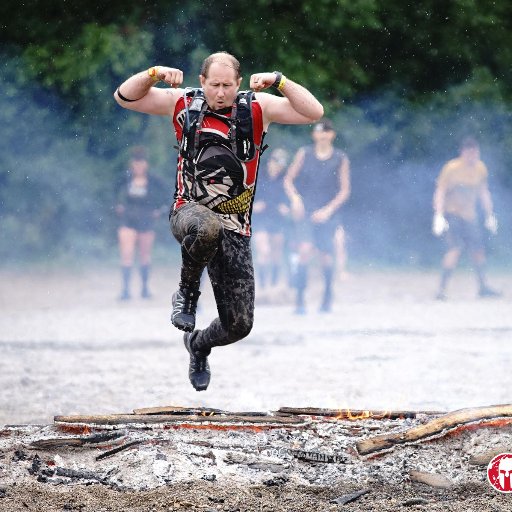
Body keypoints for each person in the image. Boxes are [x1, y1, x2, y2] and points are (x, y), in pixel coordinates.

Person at [114, 52, 323, 391]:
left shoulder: (256, 107)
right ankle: (186, 294)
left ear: (238, 84)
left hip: (236, 227)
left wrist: (280, 81)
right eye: (214, 85)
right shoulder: (183, 102)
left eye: (228, 85)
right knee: (207, 225)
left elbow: (314, 112)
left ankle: (198, 345)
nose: (221, 92)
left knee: (239, 325)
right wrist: (153, 73)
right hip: (188, 212)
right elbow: (124, 97)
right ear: (202, 82)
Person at [284, 119, 351, 314]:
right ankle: (300, 301)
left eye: (326, 132)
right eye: (319, 132)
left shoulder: (340, 158)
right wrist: (295, 199)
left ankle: (327, 296)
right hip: (306, 210)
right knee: (304, 252)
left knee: (326, 257)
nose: (322, 136)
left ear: (332, 135)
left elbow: (345, 190)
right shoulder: (304, 154)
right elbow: (288, 180)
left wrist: (329, 210)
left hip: (328, 212)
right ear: (314, 135)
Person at [432, 136, 500, 300]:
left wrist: (490, 214)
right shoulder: (451, 168)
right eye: (469, 153)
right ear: (462, 153)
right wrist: (439, 215)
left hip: (470, 216)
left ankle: (483, 287)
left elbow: (484, 192)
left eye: (475, 153)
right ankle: (441, 291)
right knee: (455, 249)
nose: (473, 156)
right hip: (452, 214)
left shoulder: (480, 168)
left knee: (478, 250)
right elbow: (440, 191)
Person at [115, 146, 168, 300]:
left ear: (146, 164)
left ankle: (144, 289)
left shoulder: (153, 179)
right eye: (136, 163)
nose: (138, 167)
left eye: (141, 163)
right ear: (132, 164)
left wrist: (161, 210)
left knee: (145, 255)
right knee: (127, 254)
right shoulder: (126, 178)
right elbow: (113, 191)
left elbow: (168, 193)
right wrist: (117, 205)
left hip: (146, 220)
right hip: (128, 219)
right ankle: (125, 290)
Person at [251, 147, 290, 293]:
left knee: (276, 254)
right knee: (264, 251)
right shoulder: (258, 177)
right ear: (270, 162)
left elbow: (290, 200)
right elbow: (246, 197)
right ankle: (262, 286)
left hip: (277, 220)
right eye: (275, 162)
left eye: (280, 164)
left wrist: (287, 208)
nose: (276, 166)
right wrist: (254, 206)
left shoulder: (286, 180)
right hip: (261, 219)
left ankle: (273, 285)